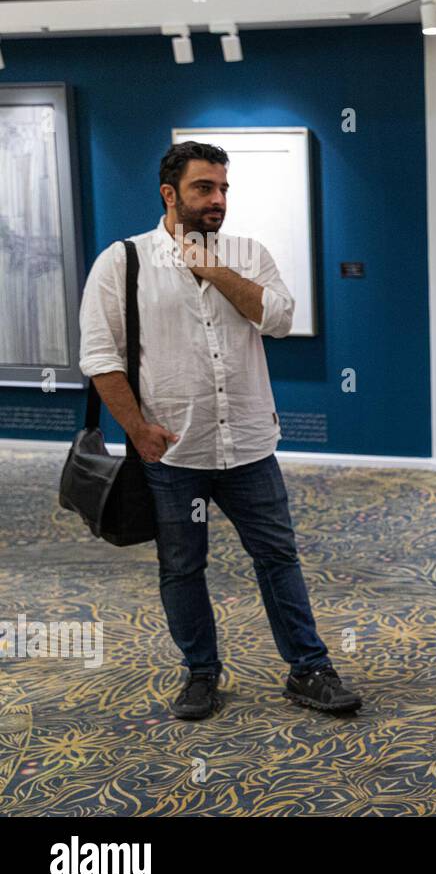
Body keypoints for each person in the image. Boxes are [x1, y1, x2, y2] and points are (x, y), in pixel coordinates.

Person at [78, 141, 361, 719]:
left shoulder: (245, 253)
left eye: (224, 188)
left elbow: (279, 318)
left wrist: (213, 268)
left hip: (251, 446)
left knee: (278, 558)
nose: (217, 199)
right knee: (182, 566)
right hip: (175, 452)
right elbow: (101, 356)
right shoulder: (122, 261)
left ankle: (309, 669)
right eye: (204, 188)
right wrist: (136, 430)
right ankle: (200, 674)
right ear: (169, 193)